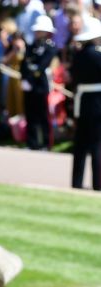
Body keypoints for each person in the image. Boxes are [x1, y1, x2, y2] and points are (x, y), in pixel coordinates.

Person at [70, 19, 101, 188]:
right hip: (98, 101)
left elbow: (74, 79)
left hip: (82, 102)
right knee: (97, 144)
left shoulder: (78, 55)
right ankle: (98, 184)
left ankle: (76, 182)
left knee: (80, 145)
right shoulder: (98, 55)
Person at [21, 14, 59, 148]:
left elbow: (41, 66)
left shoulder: (50, 47)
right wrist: (25, 78)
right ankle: (32, 143)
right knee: (30, 115)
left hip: (41, 86)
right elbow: (25, 64)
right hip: (29, 86)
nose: (37, 32)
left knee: (43, 115)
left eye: (40, 30)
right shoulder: (31, 46)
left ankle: (45, 143)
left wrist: (31, 75)